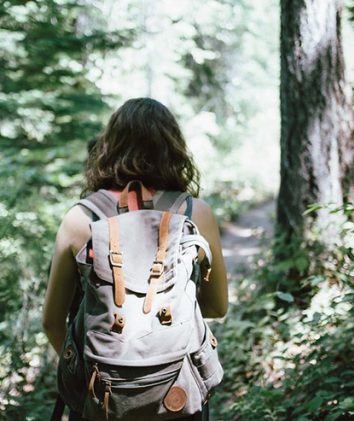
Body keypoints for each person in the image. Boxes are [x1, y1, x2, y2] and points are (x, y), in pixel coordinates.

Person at [43, 97, 228, 420]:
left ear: (109, 146)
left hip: (100, 397)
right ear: (173, 147)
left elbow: (51, 320)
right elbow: (216, 307)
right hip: (176, 395)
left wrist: (91, 370)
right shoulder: (195, 213)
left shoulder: (80, 218)